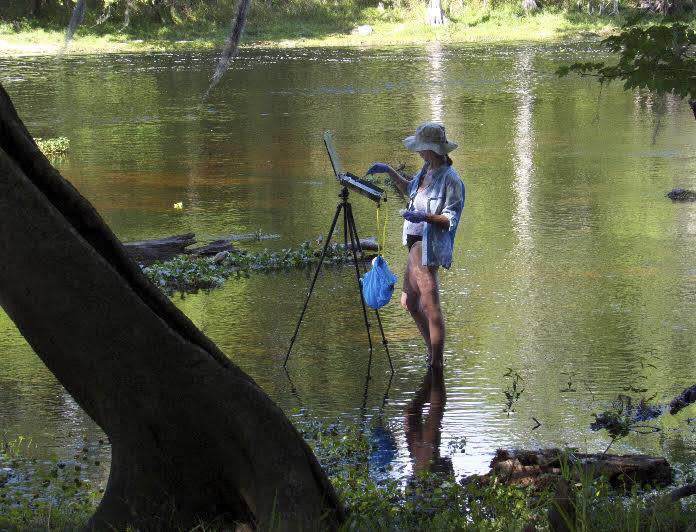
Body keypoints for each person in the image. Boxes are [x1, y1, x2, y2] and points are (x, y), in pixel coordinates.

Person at [366, 123, 464, 367]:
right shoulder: (426, 169)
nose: (418, 152)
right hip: (413, 244)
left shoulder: (451, 180)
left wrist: (424, 218)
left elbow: (450, 219)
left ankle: (436, 363)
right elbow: (409, 189)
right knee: (409, 302)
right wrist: (389, 171)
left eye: (421, 148)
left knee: (431, 305)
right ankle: (431, 353)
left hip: (426, 245)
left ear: (431, 149)